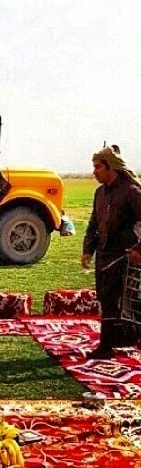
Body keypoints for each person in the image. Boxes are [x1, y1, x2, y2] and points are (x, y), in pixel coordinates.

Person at [81, 145, 141, 359]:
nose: (94, 171)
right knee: (106, 300)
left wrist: (138, 248)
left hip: (126, 257)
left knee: (127, 302)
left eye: (98, 167)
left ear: (111, 167)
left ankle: (108, 346)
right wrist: (88, 249)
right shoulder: (99, 193)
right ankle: (109, 344)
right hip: (104, 256)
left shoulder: (132, 192)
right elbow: (94, 224)